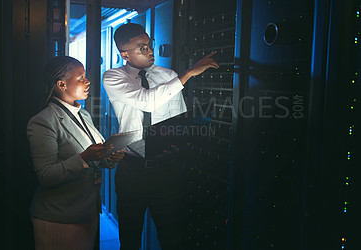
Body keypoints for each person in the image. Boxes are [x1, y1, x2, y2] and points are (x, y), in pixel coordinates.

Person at [102, 23, 219, 249]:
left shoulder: (169, 76)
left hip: (167, 170)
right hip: (132, 172)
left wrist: (180, 144)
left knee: (172, 237)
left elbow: (179, 121)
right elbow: (147, 101)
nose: (150, 51)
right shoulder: (114, 77)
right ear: (124, 54)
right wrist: (189, 73)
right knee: (130, 237)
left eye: (150, 44)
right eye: (142, 48)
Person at [27, 56, 124, 250]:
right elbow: (46, 176)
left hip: (86, 211)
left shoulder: (83, 114)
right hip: (60, 216)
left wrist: (107, 159)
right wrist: (84, 158)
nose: (87, 81)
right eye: (81, 77)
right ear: (61, 84)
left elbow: (91, 159)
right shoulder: (43, 121)